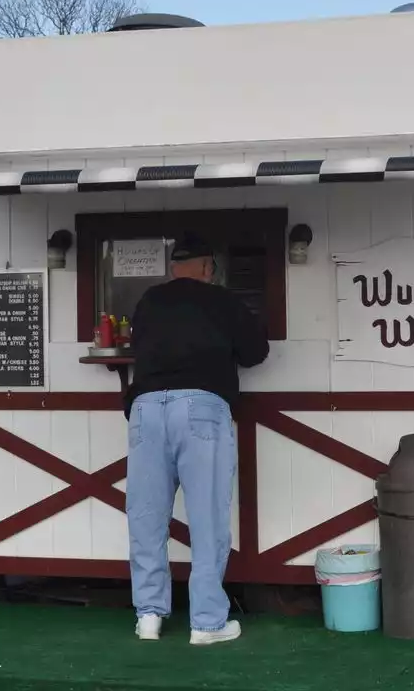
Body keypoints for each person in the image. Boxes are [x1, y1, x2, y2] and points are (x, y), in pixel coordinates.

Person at [124, 234, 269, 645]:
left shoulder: (150, 300)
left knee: (146, 516)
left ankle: (148, 616)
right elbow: (257, 351)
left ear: (173, 269)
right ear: (209, 269)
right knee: (206, 517)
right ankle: (206, 622)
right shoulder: (223, 301)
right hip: (201, 404)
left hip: (146, 407)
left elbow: (136, 347)